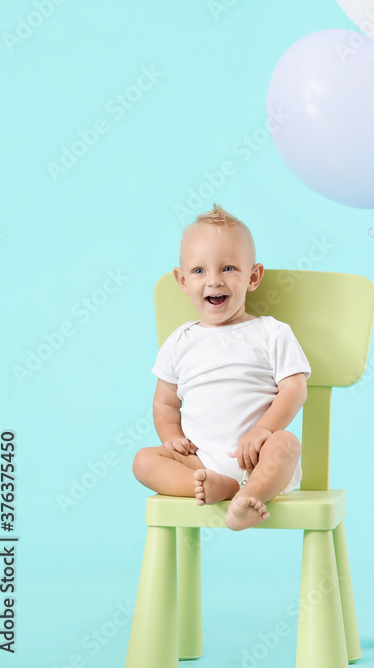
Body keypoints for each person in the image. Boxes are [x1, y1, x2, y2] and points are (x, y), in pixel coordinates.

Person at [131, 203, 311, 531]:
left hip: (257, 459)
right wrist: (171, 436)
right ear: (182, 280)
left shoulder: (271, 333)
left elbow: (295, 388)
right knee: (144, 460)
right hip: (198, 461)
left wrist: (264, 430)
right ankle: (215, 487)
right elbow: (165, 402)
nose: (214, 281)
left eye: (228, 268)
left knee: (287, 444)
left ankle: (249, 496)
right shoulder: (180, 341)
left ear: (253, 277)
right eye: (199, 271)